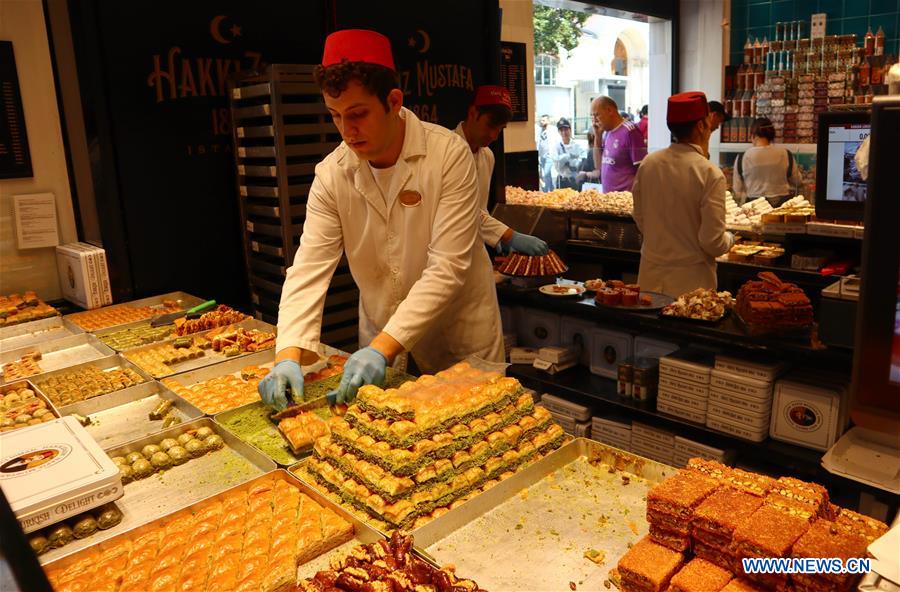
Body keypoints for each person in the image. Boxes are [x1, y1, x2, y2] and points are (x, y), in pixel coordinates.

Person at [258, 29, 503, 411]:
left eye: (357, 114)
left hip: (457, 334)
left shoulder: (447, 156)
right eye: (336, 116)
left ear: (393, 101)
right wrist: (287, 354)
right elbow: (308, 269)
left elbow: (447, 267)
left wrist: (381, 349)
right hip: (382, 336)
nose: (346, 131)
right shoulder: (332, 174)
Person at [632, 91, 735, 298]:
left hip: (650, 277)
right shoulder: (709, 173)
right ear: (701, 126)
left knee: (648, 330)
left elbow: (639, 216)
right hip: (690, 286)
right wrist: (730, 239)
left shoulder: (649, 164)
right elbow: (712, 242)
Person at [454, 85, 548, 255]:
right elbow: (460, 210)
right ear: (473, 113)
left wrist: (495, 236)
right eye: (490, 126)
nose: (494, 135)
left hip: (474, 249)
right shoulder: (447, 151)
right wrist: (507, 235)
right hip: (446, 249)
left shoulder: (487, 156)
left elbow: (479, 210)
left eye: (500, 129)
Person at [732, 117, 802, 207]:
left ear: (753, 135)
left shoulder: (742, 157)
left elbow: (737, 190)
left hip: (754, 206)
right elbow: (798, 181)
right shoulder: (785, 154)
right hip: (782, 205)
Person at [591, 96, 646, 192]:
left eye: (597, 115)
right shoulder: (607, 132)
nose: (594, 120)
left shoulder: (630, 131)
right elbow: (598, 166)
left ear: (609, 110)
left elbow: (643, 170)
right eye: (592, 116)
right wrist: (598, 136)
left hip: (625, 202)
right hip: (609, 200)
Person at [552, 118, 585, 189]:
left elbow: (582, 161)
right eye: (561, 130)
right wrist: (569, 156)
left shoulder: (577, 145)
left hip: (575, 180)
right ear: (558, 132)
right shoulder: (556, 146)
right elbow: (557, 165)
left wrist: (564, 159)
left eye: (566, 129)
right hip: (562, 180)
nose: (564, 132)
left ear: (570, 130)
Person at [537, 114, 555, 192]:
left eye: (543, 120)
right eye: (541, 120)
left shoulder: (553, 130)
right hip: (542, 156)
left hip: (549, 155)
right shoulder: (540, 130)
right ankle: (552, 190)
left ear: (548, 121)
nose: (542, 122)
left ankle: (545, 192)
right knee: (548, 175)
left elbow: (557, 141)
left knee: (546, 174)